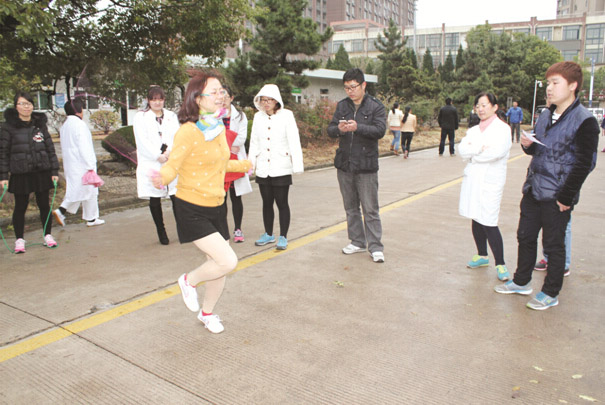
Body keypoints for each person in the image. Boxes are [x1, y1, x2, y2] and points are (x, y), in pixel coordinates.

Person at [151, 71, 252, 333]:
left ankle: (207, 314)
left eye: (222, 91)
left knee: (218, 267)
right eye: (214, 92)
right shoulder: (188, 131)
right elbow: (173, 165)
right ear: (197, 98)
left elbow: (219, 163)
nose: (221, 96)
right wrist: (161, 178)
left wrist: (246, 165)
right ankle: (189, 280)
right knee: (227, 261)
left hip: (217, 205)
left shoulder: (216, 127)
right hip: (191, 208)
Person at [495, 61, 599, 310]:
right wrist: (528, 146)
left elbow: (585, 163)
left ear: (572, 86)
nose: (549, 88)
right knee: (525, 237)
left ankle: (551, 292)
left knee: (553, 245)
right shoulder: (545, 115)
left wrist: (566, 196)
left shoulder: (585, 121)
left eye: (555, 83)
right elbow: (541, 149)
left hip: (558, 194)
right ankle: (521, 282)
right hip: (534, 187)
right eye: (548, 83)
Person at [327, 68, 386, 263]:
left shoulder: (375, 106)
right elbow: (330, 129)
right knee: (351, 207)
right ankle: (357, 241)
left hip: (366, 165)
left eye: (353, 87)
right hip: (345, 164)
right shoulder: (342, 106)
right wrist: (340, 129)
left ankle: (375, 246)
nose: (350, 91)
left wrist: (358, 127)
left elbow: (380, 130)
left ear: (363, 85)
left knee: (370, 209)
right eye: (347, 88)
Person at [458, 92, 512, 282]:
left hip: (491, 180)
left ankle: (501, 263)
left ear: (494, 107)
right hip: (474, 178)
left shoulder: (502, 129)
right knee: (476, 215)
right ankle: (482, 255)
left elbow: (496, 153)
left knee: (489, 219)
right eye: (478, 106)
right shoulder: (474, 130)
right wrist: (477, 150)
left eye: (484, 105)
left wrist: (474, 155)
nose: (480, 109)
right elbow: (462, 150)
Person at [0, 91, 60, 253]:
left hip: (41, 171)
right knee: (20, 206)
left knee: (44, 205)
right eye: (22, 104)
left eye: (29, 104)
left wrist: (54, 170)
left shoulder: (39, 125)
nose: (26, 107)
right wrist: (3, 176)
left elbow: (50, 149)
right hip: (21, 172)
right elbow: (3, 153)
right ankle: (19, 240)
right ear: (16, 107)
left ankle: (47, 235)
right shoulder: (8, 127)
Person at [248, 84, 304, 251]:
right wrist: (250, 164)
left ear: (276, 101)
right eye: (263, 100)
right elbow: (254, 141)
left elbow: (294, 140)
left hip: (281, 165)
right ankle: (268, 233)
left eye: (269, 100)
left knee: (281, 202)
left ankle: (283, 236)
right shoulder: (258, 117)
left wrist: (297, 165)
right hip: (263, 166)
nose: (266, 103)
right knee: (266, 202)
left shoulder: (287, 115)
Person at [133, 86, 180, 245]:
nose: (157, 102)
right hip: (151, 162)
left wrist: (168, 153)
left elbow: (177, 136)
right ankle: (161, 231)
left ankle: (182, 229)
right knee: (154, 197)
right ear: (148, 101)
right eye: (154, 100)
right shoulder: (141, 117)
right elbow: (142, 140)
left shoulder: (171, 116)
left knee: (176, 196)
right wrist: (157, 155)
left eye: (160, 99)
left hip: (170, 160)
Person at [53, 98, 105, 229]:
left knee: (90, 191)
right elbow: (84, 146)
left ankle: (92, 217)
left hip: (71, 164)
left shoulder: (65, 125)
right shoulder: (80, 125)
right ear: (78, 110)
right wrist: (90, 164)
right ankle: (61, 210)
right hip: (83, 165)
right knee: (79, 191)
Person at [221, 85, 252, 243]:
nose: (223, 100)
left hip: (235, 160)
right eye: (220, 96)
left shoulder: (240, 116)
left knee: (236, 197)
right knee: (221, 198)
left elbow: (241, 138)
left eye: (226, 97)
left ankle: (238, 228)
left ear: (231, 98)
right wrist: (228, 144)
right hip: (220, 161)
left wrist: (224, 141)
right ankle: (223, 230)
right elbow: (210, 137)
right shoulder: (212, 115)